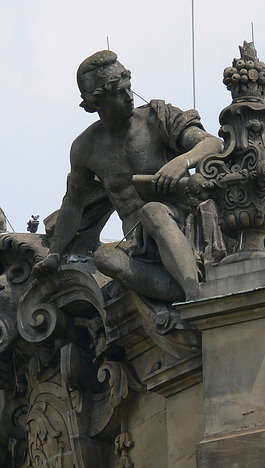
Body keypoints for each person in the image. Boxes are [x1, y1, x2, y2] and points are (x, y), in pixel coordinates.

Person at [33, 50, 223, 301]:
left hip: (184, 223)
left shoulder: (156, 119)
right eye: (118, 93)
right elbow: (73, 204)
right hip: (140, 245)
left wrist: (180, 162)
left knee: (152, 211)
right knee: (104, 257)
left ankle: (193, 295)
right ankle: (175, 290)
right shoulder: (86, 148)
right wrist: (54, 255)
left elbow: (213, 144)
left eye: (129, 88)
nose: (129, 97)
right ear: (96, 101)